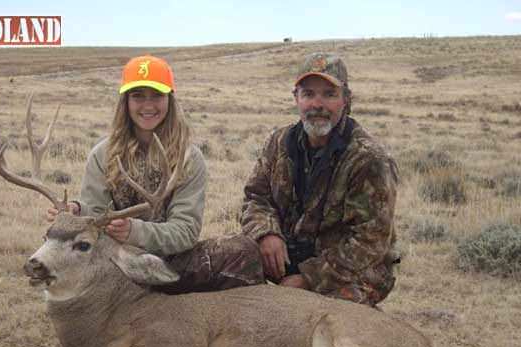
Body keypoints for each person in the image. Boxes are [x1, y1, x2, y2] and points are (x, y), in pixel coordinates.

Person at [48, 55, 264, 293]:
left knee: (243, 251)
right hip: (117, 261)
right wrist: (77, 212)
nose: (148, 106)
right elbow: (95, 218)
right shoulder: (103, 154)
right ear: (126, 102)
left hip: (171, 263)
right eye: (138, 96)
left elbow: (185, 231)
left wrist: (135, 231)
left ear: (170, 100)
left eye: (157, 96)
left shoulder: (188, 159)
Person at [241, 53, 399, 306]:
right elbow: (255, 197)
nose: (317, 104)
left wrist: (308, 278)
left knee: (317, 312)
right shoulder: (279, 142)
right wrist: (266, 233)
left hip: (349, 269)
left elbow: (370, 242)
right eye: (308, 94)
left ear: (346, 100)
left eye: (329, 94)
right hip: (287, 254)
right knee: (226, 258)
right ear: (296, 98)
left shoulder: (369, 159)